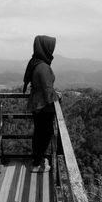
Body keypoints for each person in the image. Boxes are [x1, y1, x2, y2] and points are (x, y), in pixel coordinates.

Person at [23, 35, 60, 172]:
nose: (52, 50)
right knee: (45, 134)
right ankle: (37, 164)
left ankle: (37, 160)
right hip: (43, 107)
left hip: (36, 105)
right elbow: (48, 90)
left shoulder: (35, 62)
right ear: (45, 48)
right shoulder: (43, 67)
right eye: (51, 47)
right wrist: (57, 97)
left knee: (39, 133)